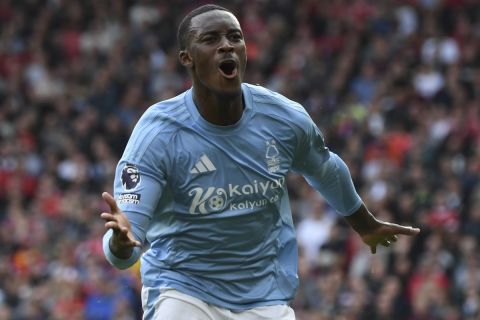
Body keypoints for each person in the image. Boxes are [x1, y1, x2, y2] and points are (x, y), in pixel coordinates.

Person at [100, 4, 420, 320]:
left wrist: (365, 225)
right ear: (187, 58)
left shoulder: (282, 118)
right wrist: (121, 244)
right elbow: (125, 245)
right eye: (211, 39)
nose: (226, 45)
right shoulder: (158, 135)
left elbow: (325, 168)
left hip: (264, 298)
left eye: (234, 37)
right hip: (184, 291)